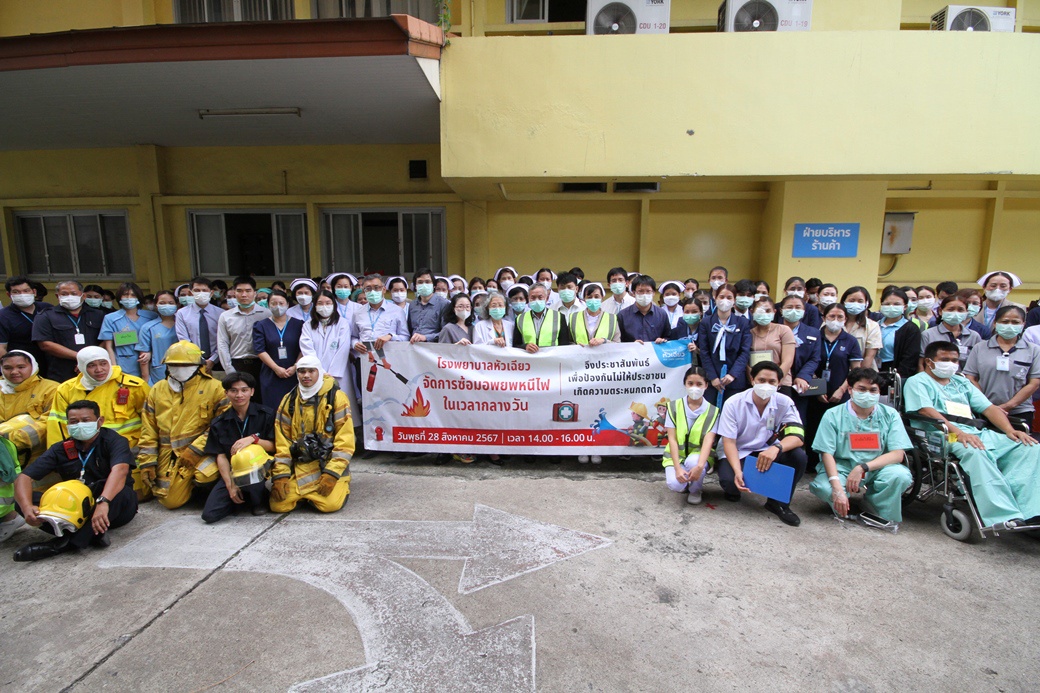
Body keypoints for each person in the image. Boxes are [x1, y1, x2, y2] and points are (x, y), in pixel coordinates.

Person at [904, 340, 1040, 529]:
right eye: (945, 359)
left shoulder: (961, 382)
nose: (951, 364)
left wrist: (1010, 431)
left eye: (954, 360)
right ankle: (1004, 515)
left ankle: (1033, 509)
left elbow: (988, 408)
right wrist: (959, 434)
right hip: (941, 435)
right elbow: (926, 411)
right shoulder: (917, 382)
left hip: (975, 432)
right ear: (929, 362)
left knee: (1029, 447)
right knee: (974, 450)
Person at [12, 400, 137, 561]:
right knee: (24, 501)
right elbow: (24, 477)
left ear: (100, 421)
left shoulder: (114, 441)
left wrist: (103, 502)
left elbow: (120, 471)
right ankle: (91, 534)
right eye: (74, 422)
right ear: (67, 425)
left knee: (123, 492)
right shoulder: (61, 448)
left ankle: (62, 544)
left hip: (112, 507)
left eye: (85, 420)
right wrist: (27, 507)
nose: (80, 425)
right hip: (76, 509)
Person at [810, 368, 914, 524]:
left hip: (877, 467)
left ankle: (875, 505)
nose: (868, 394)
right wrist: (837, 488)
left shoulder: (890, 415)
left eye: (873, 390)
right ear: (850, 390)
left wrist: (863, 468)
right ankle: (841, 501)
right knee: (825, 488)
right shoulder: (833, 415)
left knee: (900, 476)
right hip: (842, 467)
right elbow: (826, 453)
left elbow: (897, 454)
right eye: (862, 389)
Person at [48, 346, 151, 499]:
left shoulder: (134, 386)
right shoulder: (66, 390)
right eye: (91, 365)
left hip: (128, 451)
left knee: (138, 495)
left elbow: (151, 422)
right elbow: (58, 426)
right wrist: (62, 459)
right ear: (81, 367)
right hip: (86, 452)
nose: (99, 369)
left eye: (103, 363)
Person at [137, 341, 228, 510]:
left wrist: (196, 449)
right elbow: (148, 430)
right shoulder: (157, 390)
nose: (179, 368)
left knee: (204, 475)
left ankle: (208, 490)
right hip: (168, 452)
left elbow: (222, 425)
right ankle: (187, 487)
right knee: (170, 501)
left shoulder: (215, 388)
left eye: (186, 364)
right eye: (174, 365)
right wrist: (147, 462)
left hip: (204, 450)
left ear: (198, 365)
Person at [717, 361, 807, 526]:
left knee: (799, 456)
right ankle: (734, 488)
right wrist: (738, 471)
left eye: (772, 382)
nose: (766, 385)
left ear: (779, 384)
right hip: (738, 450)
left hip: (767, 450)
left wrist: (776, 448)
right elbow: (728, 441)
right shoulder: (733, 403)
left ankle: (778, 503)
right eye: (761, 380)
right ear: (752, 380)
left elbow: (798, 436)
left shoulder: (785, 402)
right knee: (730, 481)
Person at [270, 356, 354, 514]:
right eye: (301, 371)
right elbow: (282, 442)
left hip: (327, 463)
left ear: (320, 372)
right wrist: (281, 474)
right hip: (300, 464)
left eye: (311, 371)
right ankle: (307, 494)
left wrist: (332, 473)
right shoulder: (289, 400)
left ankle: (342, 483)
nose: (306, 375)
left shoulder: (337, 397)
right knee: (279, 506)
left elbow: (345, 441)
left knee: (329, 506)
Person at [201, 373, 276, 523]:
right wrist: (230, 485)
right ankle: (241, 498)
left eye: (244, 390)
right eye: (233, 391)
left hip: (261, 468)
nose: (239, 395)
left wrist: (254, 439)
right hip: (234, 471)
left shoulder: (266, 414)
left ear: (252, 391)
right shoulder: (219, 422)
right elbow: (220, 455)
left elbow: (274, 446)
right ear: (226, 393)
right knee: (210, 515)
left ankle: (258, 499)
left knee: (253, 476)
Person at [964, 306, 1040, 431]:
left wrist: (1008, 406)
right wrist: (987, 405)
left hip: (1019, 410)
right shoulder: (980, 347)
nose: (1010, 325)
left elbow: (1034, 383)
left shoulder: (1033, 350)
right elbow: (971, 377)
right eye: (1005, 322)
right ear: (995, 323)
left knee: (1019, 445)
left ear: (1023, 324)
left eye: (1015, 322)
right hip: (983, 409)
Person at [662, 366, 720, 504]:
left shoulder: (713, 411)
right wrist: (677, 469)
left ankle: (695, 489)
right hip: (677, 457)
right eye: (690, 384)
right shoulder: (673, 407)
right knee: (674, 484)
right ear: (685, 385)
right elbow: (672, 440)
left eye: (699, 384)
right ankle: (685, 483)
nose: (695, 388)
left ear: (706, 385)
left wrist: (700, 466)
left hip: (698, 456)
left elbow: (708, 441)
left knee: (694, 462)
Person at [32, 280, 105, 383]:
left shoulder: (98, 315)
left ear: (83, 296)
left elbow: (105, 339)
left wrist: (90, 360)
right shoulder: (46, 316)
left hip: (95, 370)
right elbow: (45, 344)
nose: (69, 296)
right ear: (58, 296)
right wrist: (81, 358)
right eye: (64, 294)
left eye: (73, 293)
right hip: (62, 372)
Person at [301, 290, 358, 422]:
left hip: (339, 373)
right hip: (316, 373)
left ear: (334, 305)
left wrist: (331, 373)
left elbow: (343, 349)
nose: (324, 306)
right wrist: (320, 371)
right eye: (320, 303)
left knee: (341, 405)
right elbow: (307, 348)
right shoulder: (307, 325)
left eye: (328, 303)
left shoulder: (342, 323)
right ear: (314, 306)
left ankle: (345, 433)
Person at [216, 276, 272, 399]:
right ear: (234, 293)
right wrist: (229, 370)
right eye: (239, 291)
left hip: (262, 364)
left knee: (262, 400)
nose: (244, 294)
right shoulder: (225, 316)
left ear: (254, 293)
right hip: (237, 364)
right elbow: (222, 344)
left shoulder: (266, 314)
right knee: (241, 401)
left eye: (248, 291)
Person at [0, 350, 58, 467]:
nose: (14, 372)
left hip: (37, 457)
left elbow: (51, 422)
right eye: (8, 368)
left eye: (21, 367)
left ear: (33, 366)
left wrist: (13, 438)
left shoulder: (52, 389)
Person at [698, 283, 751, 407]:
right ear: (715, 298)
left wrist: (733, 374)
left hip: (735, 379)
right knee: (711, 415)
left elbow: (744, 351)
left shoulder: (743, 323)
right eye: (721, 297)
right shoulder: (706, 322)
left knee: (733, 415)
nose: (724, 301)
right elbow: (704, 352)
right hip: (712, 379)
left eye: (729, 297)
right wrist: (712, 377)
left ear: (734, 300)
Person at [254, 290, 304, 411]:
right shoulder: (261, 325)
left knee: (294, 408)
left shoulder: (299, 324)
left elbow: (304, 347)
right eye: (273, 303)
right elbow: (260, 350)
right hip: (271, 374)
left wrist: (295, 366)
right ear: (268, 305)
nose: (278, 306)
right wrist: (276, 368)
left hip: (294, 373)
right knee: (272, 409)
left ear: (287, 304)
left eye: (281, 303)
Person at [99, 282, 158, 378]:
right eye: (125, 295)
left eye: (133, 295)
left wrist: (150, 353)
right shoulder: (110, 318)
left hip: (150, 364)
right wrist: (114, 369)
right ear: (119, 297)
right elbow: (109, 346)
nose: (129, 298)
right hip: (124, 365)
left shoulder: (151, 316)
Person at [779, 295, 821, 419]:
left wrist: (803, 376)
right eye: (789, 307)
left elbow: (814, 358)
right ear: (781, 310)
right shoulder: (774, 330)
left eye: (798, 307)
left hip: (800, 385)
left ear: (804, 311)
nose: (793, 310)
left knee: (798, 418)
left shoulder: (813, 332)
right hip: (778, 382)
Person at [0, 276, 51, 373]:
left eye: (26, 291)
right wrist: (13, 369)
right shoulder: (3, 316)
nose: (22, 295)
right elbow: (1, 348)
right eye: (16, 292)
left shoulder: (47, 308)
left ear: (34, 292)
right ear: (8, 294)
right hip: (23, 369)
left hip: (52, 365)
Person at [919, 294, 982, 371]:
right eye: (951, 309)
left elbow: (977, 364)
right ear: (940, 311)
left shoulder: (974, 336)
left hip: (963, 380)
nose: (955, 313)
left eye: (960, 310)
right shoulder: (928, 334)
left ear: (966, 312)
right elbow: (921, 363)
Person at [174, 277, 223, 373]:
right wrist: (199, 360)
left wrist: (212, 360)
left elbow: (223, 340)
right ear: (191, 293)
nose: (201, 293)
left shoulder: (221, 313)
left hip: (219, 362)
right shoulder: (182, 313)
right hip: (193, 361)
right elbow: (184, 339)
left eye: (204, 290)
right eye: (197, 290)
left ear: (211, 293)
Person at [352, 274, 410, 354]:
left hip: (390, 359)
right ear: (364, 291)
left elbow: (406, 337)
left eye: (376, 288)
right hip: (365, 359)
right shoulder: (358, 313)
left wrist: (391, 337)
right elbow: (353, 336)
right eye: (368, 289)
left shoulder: (397, 311)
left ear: (384, 290)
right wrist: (354, 344)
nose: (372, 291)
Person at [748, 297, 796, 388]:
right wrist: (753, 379)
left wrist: (776, 380)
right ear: (752, 312)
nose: (764, 314)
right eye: (760, 311)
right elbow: (746, 361)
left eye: (768, 311)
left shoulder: (783, 330)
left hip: (780, 382)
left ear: (774, 312)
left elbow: (788, 361)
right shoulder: (748, 333)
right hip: (756, 383)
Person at [136, 290, 180, 386]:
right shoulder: (148, 328)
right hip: (159, 373)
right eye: (162, 303)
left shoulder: (183, 324)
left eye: (171, 303)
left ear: (177, 304)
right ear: (156, 305)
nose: (167, 305)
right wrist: (146, 380)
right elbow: (143, 357)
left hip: (183, 369)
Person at [875, 286, 921, 378]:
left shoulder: (910, 329)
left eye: (896, 304)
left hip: (895, 372)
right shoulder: (874, 325)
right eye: (887, 304)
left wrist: (898, 378)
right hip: (873, 369)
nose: (891, 307)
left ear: (905, 307)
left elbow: (910, 359)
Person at [512, 282, 572, 351]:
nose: (536, 300)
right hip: (529, 359)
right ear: (528, 299)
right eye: (533, 298)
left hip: (552, 359)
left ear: (546, 298)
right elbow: (515, 345)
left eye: (540, 297)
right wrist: (525, 346)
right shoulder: (520, 318)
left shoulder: (559, 317)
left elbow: (564, 344)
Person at [619, 276, 671, 344]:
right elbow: (618, 340)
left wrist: (662, 340)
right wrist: (631, 344)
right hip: (631, 353)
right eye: (640, 291)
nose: (644, 294)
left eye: (648, 291)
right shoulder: (622, 315)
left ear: (653, 293)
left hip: (654, 353)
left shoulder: (662, 314)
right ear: (634, 293)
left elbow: (668, 337)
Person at [841, 286, 881, 370]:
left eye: (860, 301)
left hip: (863, 373)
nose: (856, 304)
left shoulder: (872, 326)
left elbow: (869, 356)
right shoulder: (832, 323)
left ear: (866, 303)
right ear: (844, 302)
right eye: (852, 300)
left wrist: (858, 377)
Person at [408, 268, 449, 343]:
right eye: (420, 282)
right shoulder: (412, 305)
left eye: (427, 282)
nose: (424, 285)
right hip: (414, 348)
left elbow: (446, 332)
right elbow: (410, 329)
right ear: (415, 286)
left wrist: (426, 337)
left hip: (433, 350)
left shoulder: (444, 304)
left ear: (434, 285)